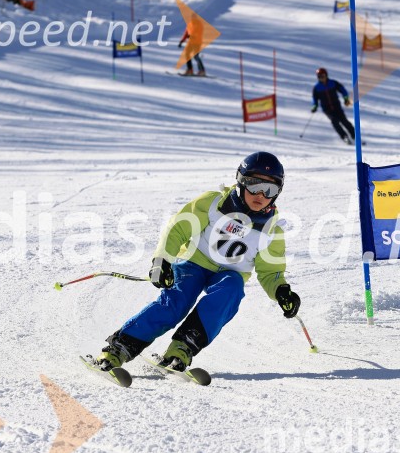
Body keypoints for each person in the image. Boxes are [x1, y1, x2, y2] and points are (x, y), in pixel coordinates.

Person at [91, 152, 301, 373]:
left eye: (270, 189)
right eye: (254, 184)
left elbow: (271, 272)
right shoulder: (213, 203)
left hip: (229, 273)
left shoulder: (272, 231)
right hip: (192, 263)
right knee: (178, 299)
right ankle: (119, 348)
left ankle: (182, 349)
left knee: (231, 289)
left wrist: (281, 291)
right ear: (240, 181)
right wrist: (162, 261)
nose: (260, 194)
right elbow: (178, 228)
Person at [311, 67, 355, 144]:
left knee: (344, 121)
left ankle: (355, 136)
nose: (321, 78)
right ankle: (344, 137)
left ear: (326, 75)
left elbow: (343, 90)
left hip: (336, 106)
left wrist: (346, 98)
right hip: (327, 109)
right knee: (334, 121)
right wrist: (315, 106)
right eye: (319, 76)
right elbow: (315, 99)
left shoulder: (333, 83)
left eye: (323, 76)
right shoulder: (317, 88)